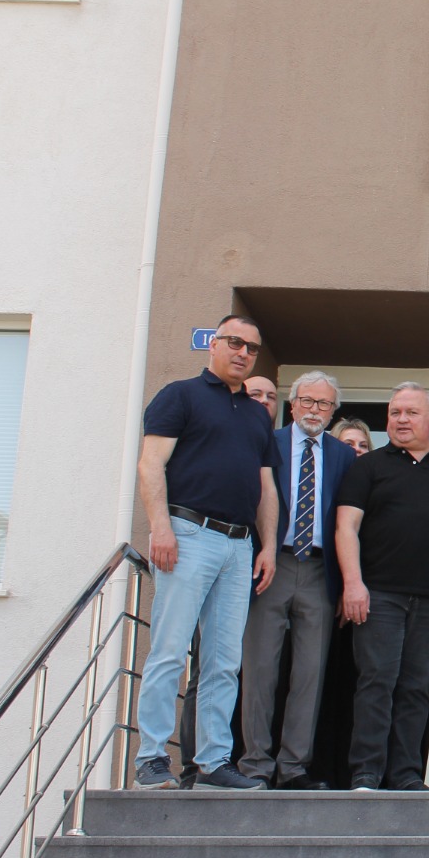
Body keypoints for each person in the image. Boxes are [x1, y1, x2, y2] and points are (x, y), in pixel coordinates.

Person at [132, 314, 278, 791]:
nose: (243, 352)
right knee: (170, 651)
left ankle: (213, 761)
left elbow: (266, 486)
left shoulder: (256, 415)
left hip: (239, 547)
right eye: (234, 342)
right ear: (213, 344)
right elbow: (151, 464)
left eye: (251, 348)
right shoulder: (180, 396)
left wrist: (268, 546)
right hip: (188, 534)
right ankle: (151, 758)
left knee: (223, 662)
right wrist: (160, 528)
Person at [335, 382, 429, 791]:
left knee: (417, 687)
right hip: (378, 595)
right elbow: (346, 526)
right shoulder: (368, 467)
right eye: (395, 413)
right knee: (376, 682)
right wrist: (353, 584)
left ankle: (405, 774)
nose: (401, 420)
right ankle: (366, 771)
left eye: (411, 413)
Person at [240, 371, 355, 790]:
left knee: (310, 673)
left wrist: (346, 582)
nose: (314, 410)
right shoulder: (266, 443)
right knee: (260, 670)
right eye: (307, 401)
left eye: (324, 404)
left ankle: (293, 767)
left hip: (320, 572)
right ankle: (254, 764)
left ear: (333, 411)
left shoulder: (343, 456)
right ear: (292, 406)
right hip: (272, 565)